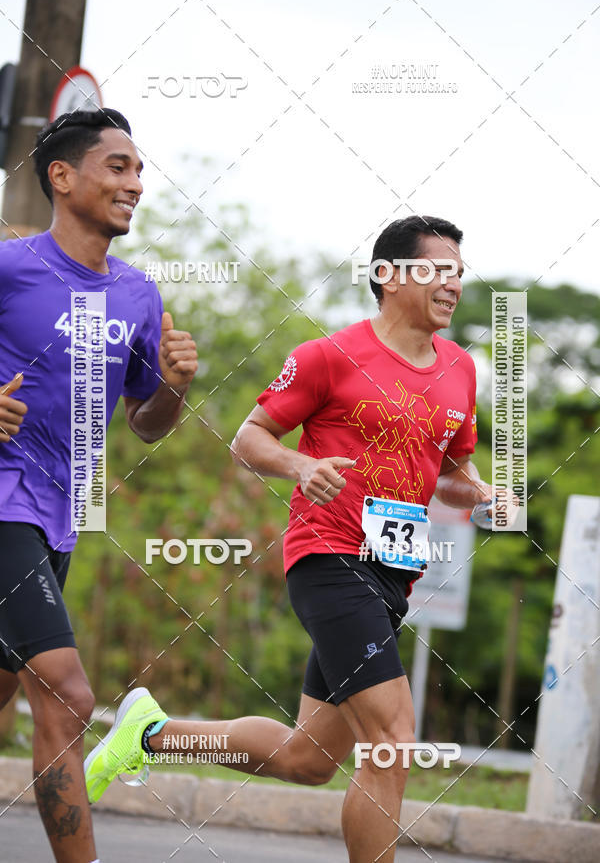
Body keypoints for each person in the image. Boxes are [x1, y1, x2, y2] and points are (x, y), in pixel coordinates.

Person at [84, 215, 493, 862]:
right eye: (438, 270)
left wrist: (484, 494)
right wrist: (302, 466)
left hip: (393, 571)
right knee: (392, 742)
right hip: (330, 558)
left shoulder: (460, 372)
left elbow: (452, 474)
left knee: (309, 758)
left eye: (460, 274)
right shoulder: (329, 357)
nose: (454, 285)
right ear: (388, 276)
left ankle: (149, 735)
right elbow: (250, 437)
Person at [0, 108, 198, 863]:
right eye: (118, 167)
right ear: (63, 176)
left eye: (140, 170)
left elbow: (148, 424)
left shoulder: (139, 294)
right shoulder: (11, 266)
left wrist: (176, 383)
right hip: (2, 500)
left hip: (59, 520)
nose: (136, 184)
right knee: (68, 696)